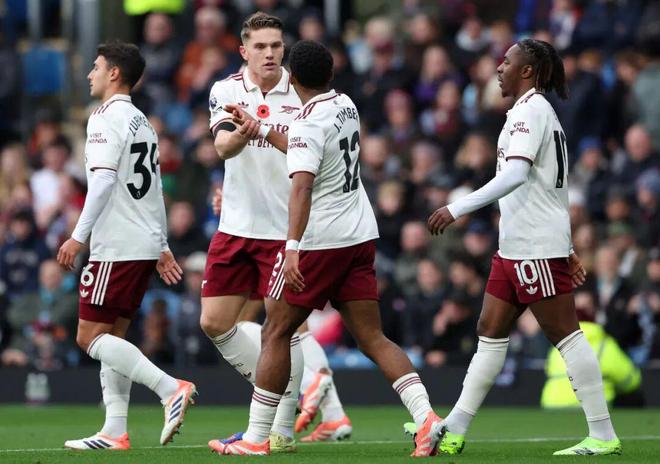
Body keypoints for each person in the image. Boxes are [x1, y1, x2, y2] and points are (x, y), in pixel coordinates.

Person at [208, 40, 445, 457]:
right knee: (372, 337)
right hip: (359, 236)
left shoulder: (305, 122)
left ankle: (257, 437)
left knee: (276, 331)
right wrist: (261, 129)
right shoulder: (345, 105)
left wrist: (292, 247)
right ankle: (426, 416)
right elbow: (306, 144)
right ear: (330, 75)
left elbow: (302, 186)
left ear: (293, 78)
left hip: (321, 241)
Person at [414, 39, 621, 456]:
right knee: (489, 331)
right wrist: (567, 245)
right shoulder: (531, 111)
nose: (499, 68)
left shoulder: (531, 111)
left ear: (527, 71)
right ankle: (455, 428)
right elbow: (554, 188)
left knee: (566, 335)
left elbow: (516, 176)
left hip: (532, 246)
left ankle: (602, 434)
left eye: (507, 61)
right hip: (517, 245)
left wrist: (457, 207)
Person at [56, 41, 195, 451]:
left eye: (96, 66)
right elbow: (154, 191)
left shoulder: (104, 117)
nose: (90, 74)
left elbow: (102, 180)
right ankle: (114, 429)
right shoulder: (142, 122)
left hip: (115, 245)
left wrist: (78, 236)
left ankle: (170, 388)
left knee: (88, 338)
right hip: (141, 243)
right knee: (112, 335)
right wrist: (161, 243)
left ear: (114, 73)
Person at [200, 12, 306, 452]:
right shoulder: (226, 90)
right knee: (214, 322)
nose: (269, 53)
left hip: (284, 230)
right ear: (244, 51)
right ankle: (283, 395)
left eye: (276, 45)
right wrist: (246, 131)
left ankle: (278, 428)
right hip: (235, 227)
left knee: (281, 330)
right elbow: (222, 146)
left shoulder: (302, 92)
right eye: (260, 46)